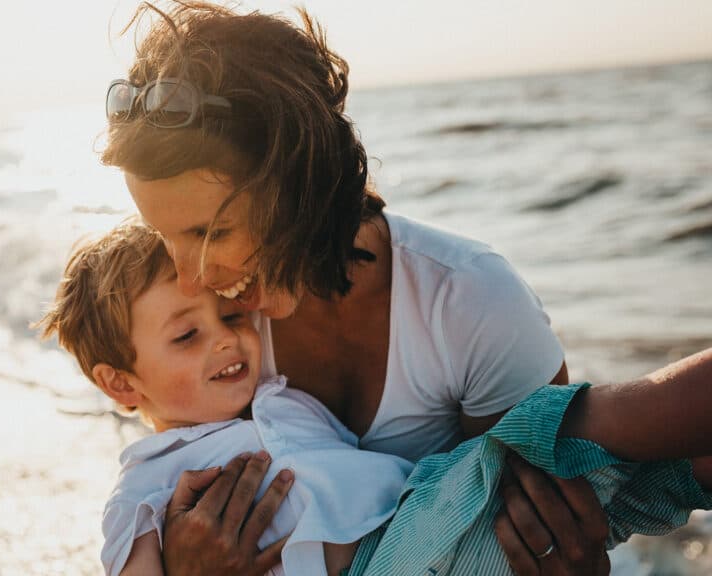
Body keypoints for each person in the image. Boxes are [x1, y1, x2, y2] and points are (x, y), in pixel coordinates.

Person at [100, 2, 601, 574]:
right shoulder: (212, 331)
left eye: (210, 232)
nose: (191, 276)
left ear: (298, 182)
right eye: (165, 236)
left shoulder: (468, 303)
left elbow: (539, 523)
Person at [38, 221, 711, 576]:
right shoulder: (145, 488)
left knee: (632, 484)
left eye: (231, 317)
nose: (226, 341)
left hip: (434, 528)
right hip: (390, 558)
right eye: (186, 335)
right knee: (548, 437)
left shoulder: (282, 397)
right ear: (120, 383)